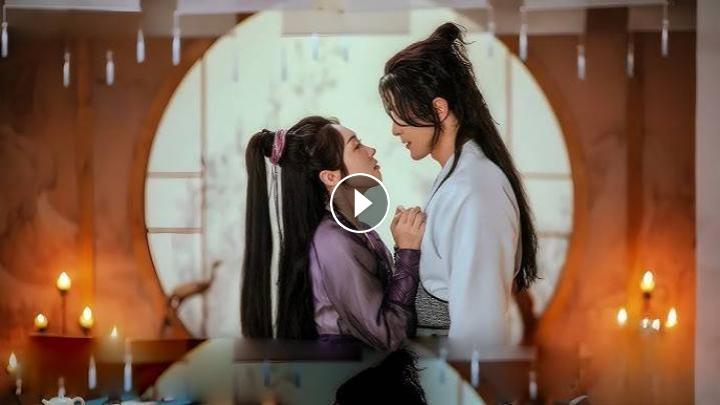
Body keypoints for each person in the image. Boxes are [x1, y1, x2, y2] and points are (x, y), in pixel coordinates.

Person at [379, 23, 539, 345]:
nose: (394, 129)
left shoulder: (477, 190)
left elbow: (478, 328)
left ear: (438, 109)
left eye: (398, 114)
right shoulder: (459, 178)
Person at [241, 116, 426, 351]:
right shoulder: (334, 242)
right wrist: (408, 253)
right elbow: (389, 336)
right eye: (356, 146)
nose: (371, 150)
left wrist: (404, 246)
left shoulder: (353, 227)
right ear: (330, 177)